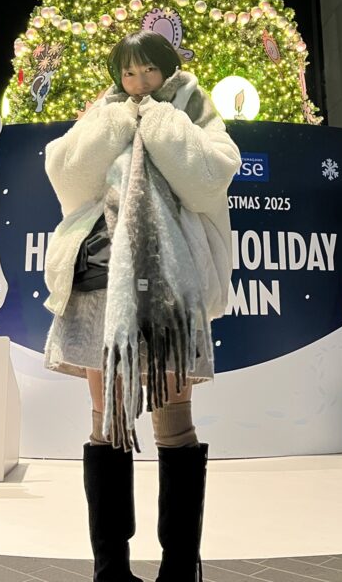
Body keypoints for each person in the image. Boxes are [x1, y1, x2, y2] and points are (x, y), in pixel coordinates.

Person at [42, 30, 241, 581]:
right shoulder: (105, 109)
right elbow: (65, 175)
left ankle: (179, 568)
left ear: (166, 67)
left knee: (174, 422)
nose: (137, 82)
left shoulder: (192, 105)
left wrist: (157, 121)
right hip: (100, 287)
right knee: (107, 422)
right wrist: (112, 124)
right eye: (128, 73)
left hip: (169, 288)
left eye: (147, 70)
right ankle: (111, 570)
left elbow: (209, 181)